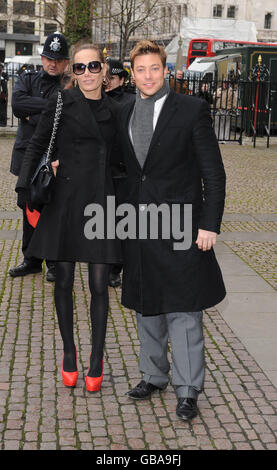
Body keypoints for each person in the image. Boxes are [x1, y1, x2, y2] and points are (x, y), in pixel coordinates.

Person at [117, 40, 226, 421]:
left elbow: (213, 172)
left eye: (154, 68)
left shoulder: (192, 110)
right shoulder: (124, 110)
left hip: (182, 227)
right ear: (133, 74)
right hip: (138, 227)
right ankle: (153, 375)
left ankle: (188, 388)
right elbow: (121, 170)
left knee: (183, 310)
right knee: (146, 305)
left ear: (166, 71)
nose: (148, 76)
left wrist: (209, 224)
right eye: (141, 70)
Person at [15, 42, 122, 391]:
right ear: (71, 73)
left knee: (98, 287)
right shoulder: (61, 102)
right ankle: (69, 352)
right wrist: (25, 188)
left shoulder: (119, 108)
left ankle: (96, 357)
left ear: (104, 70)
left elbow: (128, 162)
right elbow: (37, 144)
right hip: (64, 200)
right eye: (79, 68)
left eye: (93, 66)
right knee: (62, 281)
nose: (87, 73)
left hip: (100, 204)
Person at [9, 32, 69, 282]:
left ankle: (54, 262)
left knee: (54, 210)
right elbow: (17, 104)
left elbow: (65, 116)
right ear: (42, 58)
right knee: (28, 207)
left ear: (65, 62)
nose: (52, 63)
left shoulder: (69, 86)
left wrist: (32, 116)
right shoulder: (27, 78)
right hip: (28, 156)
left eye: (58, 59)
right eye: (48, 58)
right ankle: (31, 259)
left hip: (55, 156)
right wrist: (51, 109)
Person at [105, 58, 136, 288]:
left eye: (111, 78)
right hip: (101, 170)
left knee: (121, 223)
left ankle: (116, 268)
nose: (106, 82)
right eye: (104, 78)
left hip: (123, 171)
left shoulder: (132, 102)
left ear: (122, 79)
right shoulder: (95, 99)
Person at [0, 63, 8, 127]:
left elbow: (5, 86)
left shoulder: (4, 75)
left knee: (3, 109)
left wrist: (5, 96)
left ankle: (3, 122)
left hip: (2, 95)